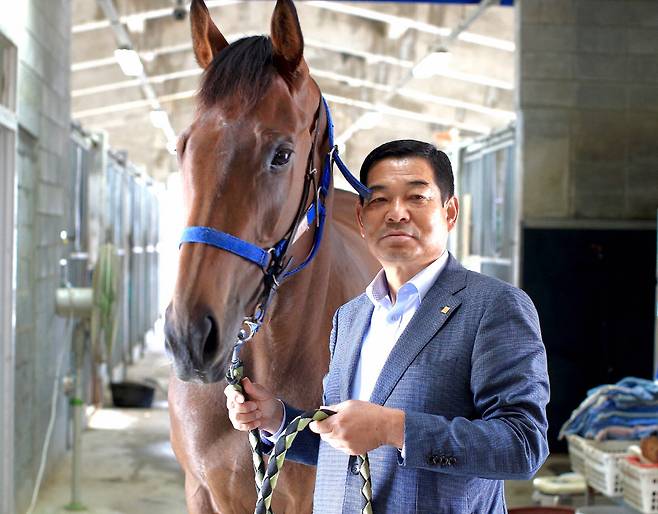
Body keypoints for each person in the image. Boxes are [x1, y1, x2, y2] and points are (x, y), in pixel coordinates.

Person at [225, 139, 549, 513]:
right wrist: (279, 419)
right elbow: (347, 443)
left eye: (416, 198)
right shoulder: (350, 317)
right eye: (379, 200)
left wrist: (394, 428)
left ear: (450, 212)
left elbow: (522, 446)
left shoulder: (492, 306)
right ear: (362, 219)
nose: (397, 214)